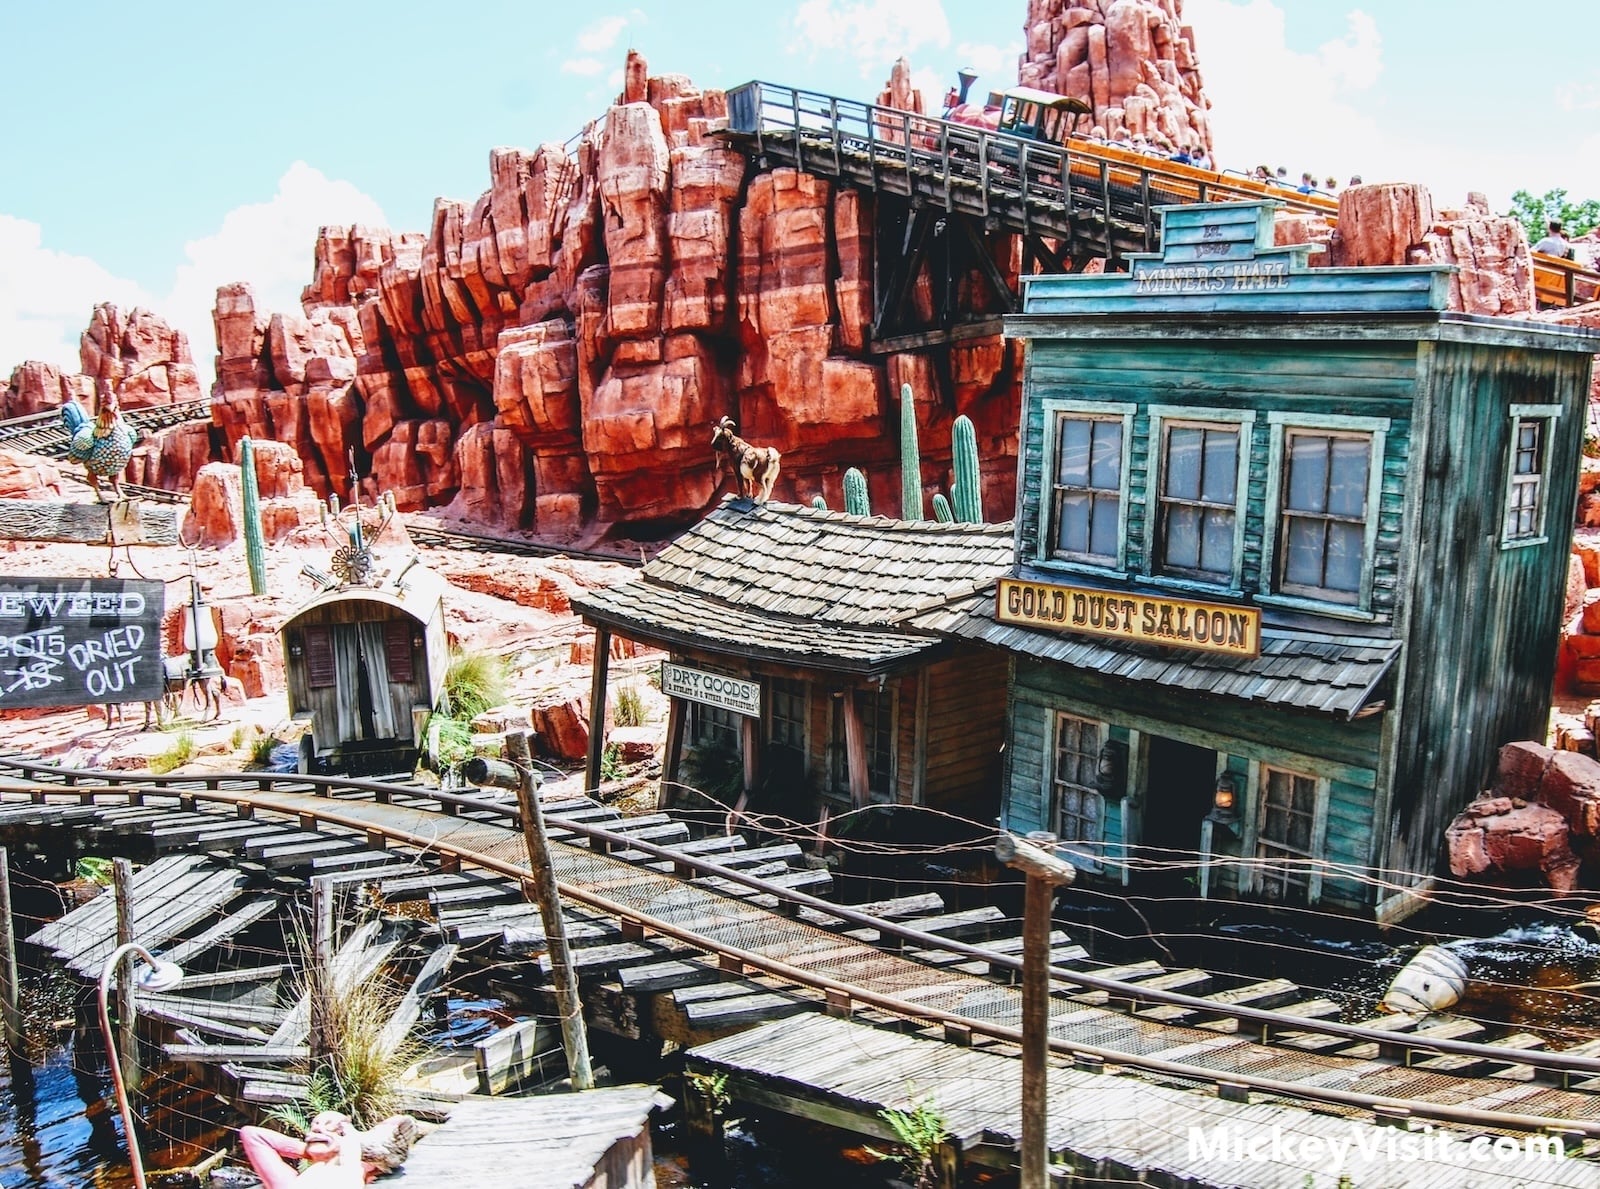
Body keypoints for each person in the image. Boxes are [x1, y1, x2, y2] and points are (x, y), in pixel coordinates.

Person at [240, 1113, 366, 1187]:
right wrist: (309, 1150)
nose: (317, 1129)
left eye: (329, 1126)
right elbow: (252, 1135)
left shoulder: (353, 1168)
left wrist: (339, 1150)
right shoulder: (292, 1182)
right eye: (314, 1126)